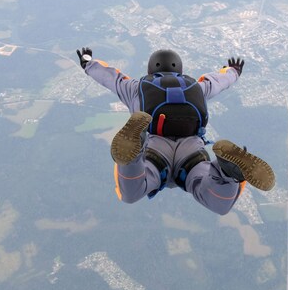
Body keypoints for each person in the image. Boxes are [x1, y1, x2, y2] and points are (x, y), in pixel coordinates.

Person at [76, 47, 275, 215]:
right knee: (218, 203)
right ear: (179, 69)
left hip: (156, 150)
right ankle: (226, 173)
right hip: (191, 152)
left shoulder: (136, 87)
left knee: (130, 193)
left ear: (151, 69)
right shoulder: (196, 87)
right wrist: (233, 71)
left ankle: (133, 155)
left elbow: (112, 78)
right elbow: (218, 82)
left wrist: (88, 63)